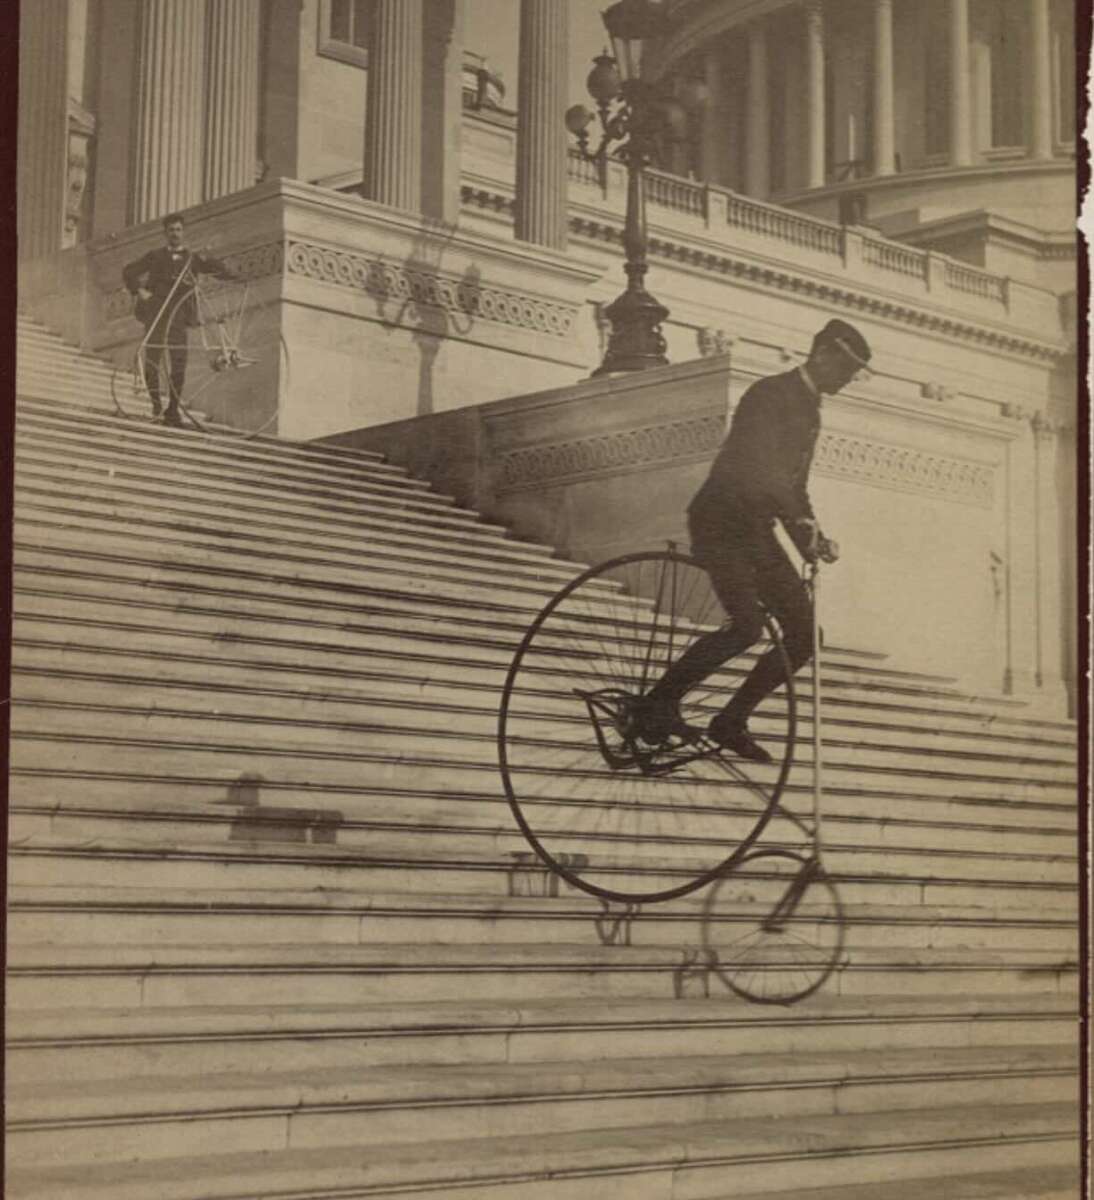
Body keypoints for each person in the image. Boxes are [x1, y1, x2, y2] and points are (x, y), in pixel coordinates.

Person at [634, 318, 872, 763]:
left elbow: (793, 486)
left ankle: (731, 720)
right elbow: (760, 471)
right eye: (845, 368)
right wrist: (800, 523)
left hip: (756, 531)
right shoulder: (770, 395)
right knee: (747, 627)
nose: (847, 379)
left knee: (803, 636)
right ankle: (657, 704)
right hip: (721, 522)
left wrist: (811, 538)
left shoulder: (810, 408)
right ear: (821, 354)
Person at [122, 212, 237, 426]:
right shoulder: (155, 256)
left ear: (183, 232)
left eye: (178, 230)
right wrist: (139, 291)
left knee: (178, 362)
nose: (175, 234)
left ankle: (172, 410)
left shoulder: (192, 259)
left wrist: (231, 274)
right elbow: (129, 271)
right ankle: (156, 406)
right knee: (152, 360)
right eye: (171, 230)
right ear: (165, 233)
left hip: (179, 316)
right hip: (157, 312)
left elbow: (214, 269)